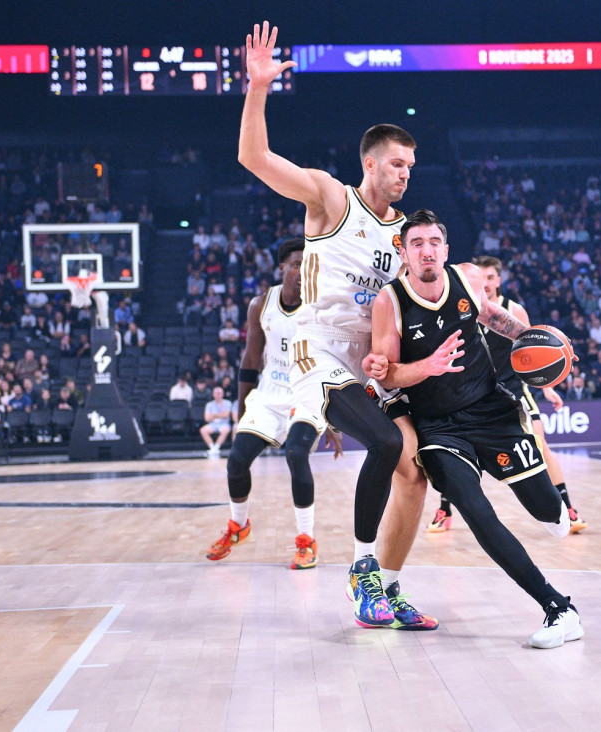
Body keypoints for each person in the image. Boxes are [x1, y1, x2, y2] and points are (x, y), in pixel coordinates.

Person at [238, 21, 430, 629]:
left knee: (414, 472)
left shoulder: (405, 234)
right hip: (317, 357)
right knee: (389, 443)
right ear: (370, 163)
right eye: (396, 164)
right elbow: (253, 157)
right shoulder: (330, 198)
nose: (404, 174)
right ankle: (363, 572)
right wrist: (258, 88)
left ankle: (391, 587)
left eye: (410, 166)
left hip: (372, 364)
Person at [364, 210, 582, 649]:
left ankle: (557, 511)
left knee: (546, 511)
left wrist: (548, 347)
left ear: (445, 250)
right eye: (417, 243)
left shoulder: (465, 279)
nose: (426, 250)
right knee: (477, 512)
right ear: (402, 252)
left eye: (434, 242)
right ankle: (559, 608)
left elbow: (497, 320)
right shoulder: (390, 301)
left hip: (492, 412)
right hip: (439, 428)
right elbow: (387, 374)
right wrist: (425, 367)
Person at [206, 240, 343, 571]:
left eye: (308, 266)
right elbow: (251, 359)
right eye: (296, 264)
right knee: (236, 461)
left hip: (307, 393)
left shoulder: (321, 306)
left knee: (296, 454)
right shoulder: (261, 304)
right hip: (269, 394)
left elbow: (338, 360)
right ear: (281, 267)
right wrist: (242, 413)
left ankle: (306, 541)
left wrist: (336, 418)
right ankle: (239, 526)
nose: (301, 271)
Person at [427, 255, 587, 535]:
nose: (486, 283)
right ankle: (445, 509)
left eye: (491, 278)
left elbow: (534, 352)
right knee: (457, 449)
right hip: (477, 387)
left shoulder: (515, 310)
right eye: (482, 277)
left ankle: (566, 506)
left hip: (513, 386)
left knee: (539, 443)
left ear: (499, 280)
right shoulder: (464, 305)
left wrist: (547, 388)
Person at [199, 386, 234, 456]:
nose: (218, 395)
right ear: (213, 394)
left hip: (224, 423)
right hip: (213, 424)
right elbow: (207, 418)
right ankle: (213, 448)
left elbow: (226, 415)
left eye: (219, 393)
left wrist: (214, 415)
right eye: (216, 393)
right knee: (203, 430)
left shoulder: (228, 403)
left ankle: (217, 447)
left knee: (225, 430)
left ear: (223, 394)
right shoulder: (209, 405)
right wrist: (221, 415)